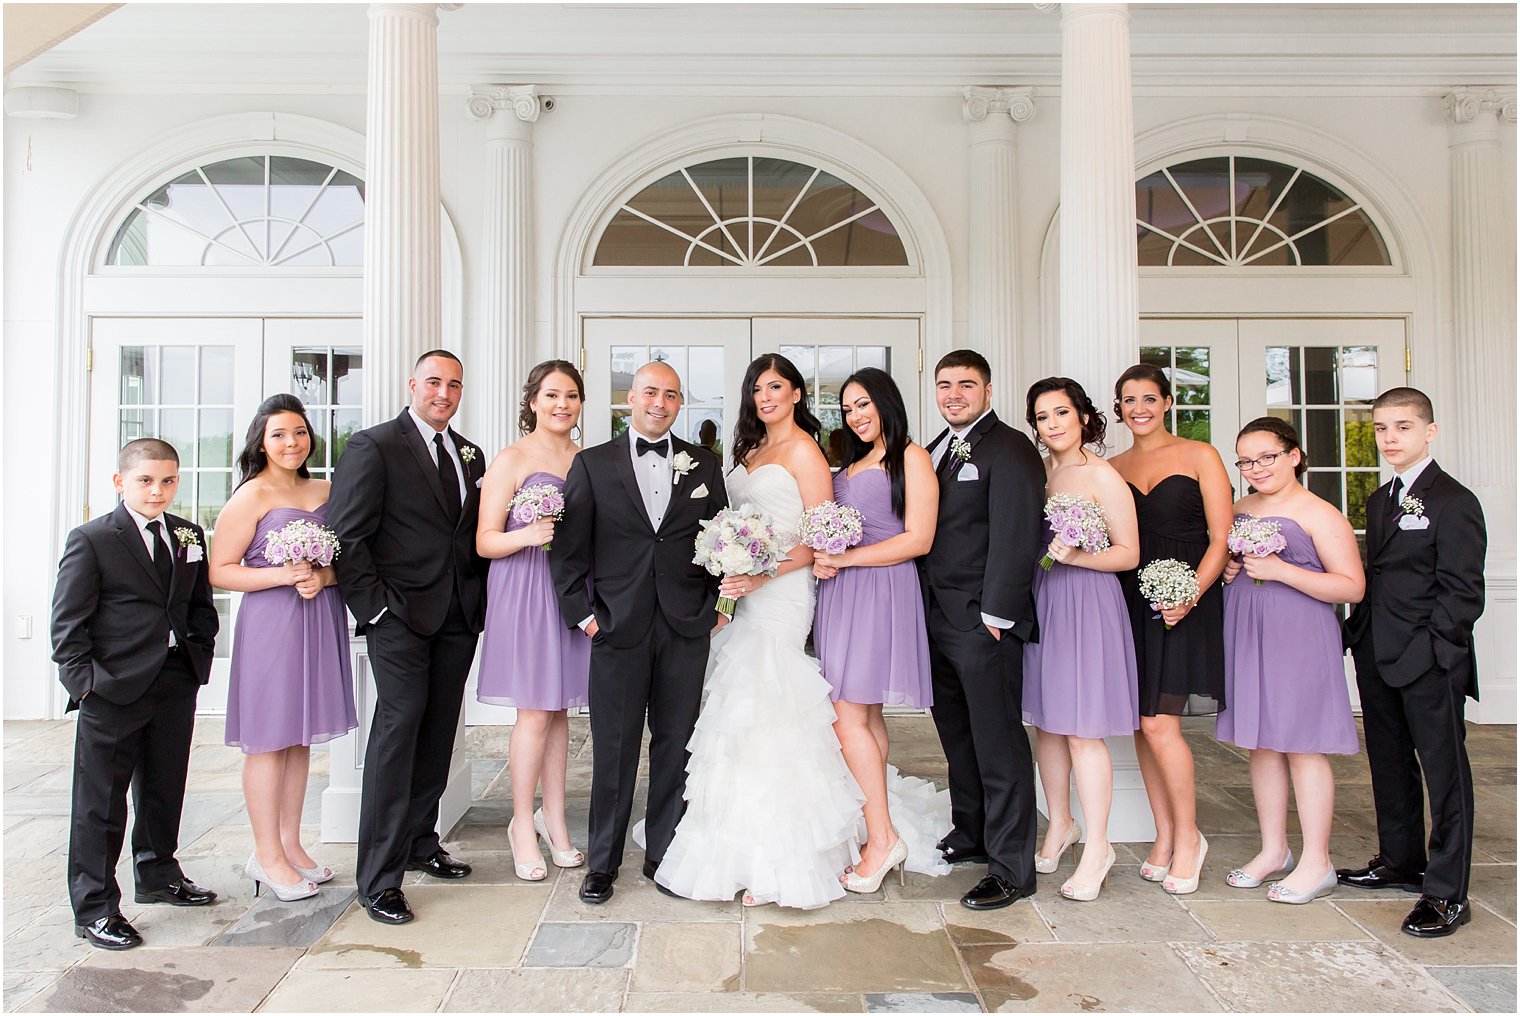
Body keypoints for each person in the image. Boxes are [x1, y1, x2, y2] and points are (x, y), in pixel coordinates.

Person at [653, 353, 864, 908]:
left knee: (768, 704)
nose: (765, 397)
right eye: (757, 388)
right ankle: (729, 843)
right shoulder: (746, 451)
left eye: (776, 387)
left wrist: (762, 569)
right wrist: (730, 568)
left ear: (796, 393)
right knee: (734, 709)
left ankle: (777, 856)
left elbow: (822, 539)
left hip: (783, 594)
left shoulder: (805, 452)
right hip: (743, 592)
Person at [551, 360, 729, 905]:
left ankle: (664, 854)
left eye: (671, 394)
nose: (660, 402)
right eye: (650, 391)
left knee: (675, 746)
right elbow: (567, 551)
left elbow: (725, 538)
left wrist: (721, 606)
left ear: (680, 404)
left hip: (684, 626)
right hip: (616, 628)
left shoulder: (704, 464)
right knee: (615, 749)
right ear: (631, 398)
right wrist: (584, 616)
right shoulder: (592, 464)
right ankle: (601, 863)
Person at [326, 350, 488, 925]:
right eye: (435, 382)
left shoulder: (470, 453)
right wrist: (375, 611)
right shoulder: (375, 446)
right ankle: (378, 878)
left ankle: (422, 841)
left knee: (440, 729)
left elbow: (465, 536)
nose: (444, 393)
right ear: (412, 384)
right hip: (398, 618)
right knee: (397, 735)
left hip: (457, 617)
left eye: (454, 385)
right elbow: (346, 534)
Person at [51, 438, 220, 950]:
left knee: (165, 786)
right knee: (100, 803)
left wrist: (195, 657)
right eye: (146, 480)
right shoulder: (93, 538)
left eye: (168, 480)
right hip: (113, 689)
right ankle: (96, 907)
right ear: (120, 481)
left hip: (173, 680)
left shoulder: (189, 534)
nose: (158, 490)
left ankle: (157, 873)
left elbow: (198, 604)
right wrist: (89, 687)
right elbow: (67, 627)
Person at [1338, 387, 1486, 938]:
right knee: (1389, 762)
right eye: (1380, 428)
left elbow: (1463, 592)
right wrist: (1359, 636)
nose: (1389, 438)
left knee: (1445, 775)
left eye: (1402, 427)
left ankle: (1448, 893)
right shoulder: (1380, 500)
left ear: (1430, 431)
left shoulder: (1454, 500)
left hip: (1429, 660)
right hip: (1377, 653)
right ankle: (1401, 861)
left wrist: (1433, 652)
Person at [211, 395, 357, 902]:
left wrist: (324, 575)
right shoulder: (250, 496)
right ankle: (265, 854)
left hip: (319, 616)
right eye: (279, 434)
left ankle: (292, 844)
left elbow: (348, 557)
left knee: (300, 739)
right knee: (270, 739)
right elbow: (220, 569)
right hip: (273, 623)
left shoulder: (327, 490)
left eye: (298, 432)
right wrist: (283, 575)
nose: (291, 443)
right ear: (261, 441)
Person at [813, 366, 949, 889]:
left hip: (881, 590)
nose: (856, 415)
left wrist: (847, 560)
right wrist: (827, 559)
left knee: (846, 716)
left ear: (886, 402)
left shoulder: (911, 458)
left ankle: (884, 836)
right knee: (861, 716)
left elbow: (919, 538)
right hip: (842, 594)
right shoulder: (850, 463)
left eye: (864, 403)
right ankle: (876, 830)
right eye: (847, 408)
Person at [921, 349, 1046, 911]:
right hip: (938, 620)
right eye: (945, 384)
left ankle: (1012, 867)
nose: (954, 394)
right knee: (958, 735)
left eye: (966, 385)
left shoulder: (1011, 448)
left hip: (982, 622)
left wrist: (996, 617)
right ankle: (971, 833)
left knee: (998, 744)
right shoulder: (935, 450)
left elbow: (1018, 535)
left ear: (988, 391)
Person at [1219, 417, 1364, 904]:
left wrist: (1282, 571)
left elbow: (1352, 586)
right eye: (1246, 460)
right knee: (1262, 742)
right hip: (1247, 630)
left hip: (1299, 635)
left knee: (1302, 745)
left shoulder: (1320, 513)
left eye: (1267, 457)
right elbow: (1227, 567)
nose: (1256, 468)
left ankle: (1317, 862)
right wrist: (1231, 569)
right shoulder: (1238, 508)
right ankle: (1273, 849)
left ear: (1295, 455)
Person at [1109, 364, 1231, 895]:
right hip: (1130, 597)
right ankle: (1163, 835)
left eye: (1148, 398)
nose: (1139, 408)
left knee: (1161, 723)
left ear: (1167, 401)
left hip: (1186, 596)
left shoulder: (1199, 455)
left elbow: (1222, 537)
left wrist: (1190, 594)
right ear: (1119, 408)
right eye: (1129, 399)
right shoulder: (1111, 466)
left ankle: (1189, 837)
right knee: (1141, 723)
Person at [1021, 378, 1140, 903]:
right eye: (1043, 417)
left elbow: (1129, 554)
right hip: (1045, 598)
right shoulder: (1045, 471)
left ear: (1085, 417)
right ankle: (1060, 823)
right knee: (1047, 723)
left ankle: (1099, 846)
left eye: (1061, 413)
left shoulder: (1101, 475)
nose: (1052, 425)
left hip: (1087, 601)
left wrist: (1075, 556)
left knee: (1082, 728)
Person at [477, 360, 590, 882]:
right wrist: (529, 534)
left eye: (571, 396)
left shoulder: (587, 461)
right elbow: (484, 540)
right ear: (533, 402)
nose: (561, 405)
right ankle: (521, 822)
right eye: (551, 395)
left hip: (574, 593)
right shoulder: (511, 459)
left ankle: (555, 818)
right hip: (525, 587)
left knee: (562, 710)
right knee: (535, 713)